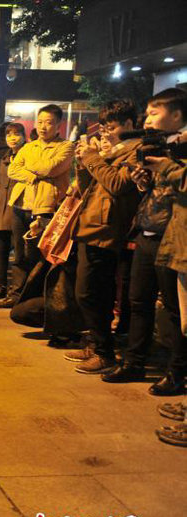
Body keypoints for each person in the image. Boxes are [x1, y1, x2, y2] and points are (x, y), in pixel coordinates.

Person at [102, 89, 187, 395]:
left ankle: (177, 372)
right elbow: (155, 189)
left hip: (174, 239)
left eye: (154, 112)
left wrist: (163, 166)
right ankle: (134, 361)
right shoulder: (160, 145)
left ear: (176, 115)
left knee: (176, 311)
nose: (147, 118)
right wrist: (144, 178)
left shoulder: (183, 146)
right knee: (138, 301)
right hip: (147, 231)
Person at [65, 100, 142, 375]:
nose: (106, 133)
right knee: (96, 292)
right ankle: (97, 345)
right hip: (92, 226)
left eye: (111, 127)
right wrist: (84, 164)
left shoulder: (136, 151)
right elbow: (89, 189)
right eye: (104, 128)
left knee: (88, 292)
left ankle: (104, 352)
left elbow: (119, 185)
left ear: (130, 124)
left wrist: (93, 158)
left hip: (107, 230)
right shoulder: (117, 150)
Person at [5, 104, 75, 302]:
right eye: (40, 122)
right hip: (20, 205)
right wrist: (32, 176)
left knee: (40, 254)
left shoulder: (66, 146)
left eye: (49, 123)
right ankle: (16, 294)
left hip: (46, 206)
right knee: (19, 254)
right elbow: (12, 170)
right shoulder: (29, 146)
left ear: (59, 124)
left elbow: (50, 169)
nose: (43, 127)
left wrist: (28, 167)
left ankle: (35, 297)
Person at [0, 122, 27, 301]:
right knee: (2, 248)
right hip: (1, 205)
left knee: (20, 250)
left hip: (19, 205)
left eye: (16, 134)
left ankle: (18, 287)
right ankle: (1, 285)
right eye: (9, 134)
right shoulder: (5, 157)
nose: (13, 137)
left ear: (24, 136)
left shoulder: (27, 155)